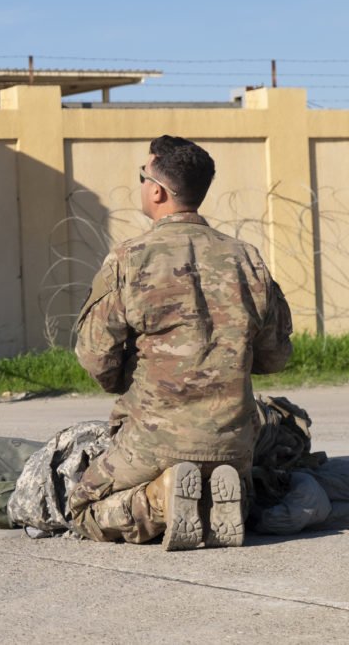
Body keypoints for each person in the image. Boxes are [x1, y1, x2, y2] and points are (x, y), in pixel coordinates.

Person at [67, 135, 292, 550]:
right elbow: (275, 356)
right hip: (234, 437)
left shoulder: (130, 257)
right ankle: (222, 490)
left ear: (156, 190)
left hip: (153, 438)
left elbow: (96, 355)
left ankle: (162, 497)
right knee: (232, 481)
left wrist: (123, 385)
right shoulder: (247, 258)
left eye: (141, 176)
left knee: (81, 507)